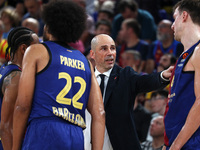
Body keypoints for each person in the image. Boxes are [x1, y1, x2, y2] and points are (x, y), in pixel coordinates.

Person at [12, 1, 105, 150]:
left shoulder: (36, 51)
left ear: (48, 27)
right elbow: (99, 113)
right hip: (75, 135)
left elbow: (22, 105)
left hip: (44, 130)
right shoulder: (85, 61)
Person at [89, 34, 173, 150]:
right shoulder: (86, 78)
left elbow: (144, 81)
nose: (110, 53)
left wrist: (162, 76)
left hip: (119, 144)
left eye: (113, 48)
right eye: (104, 48)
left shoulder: (125, 75)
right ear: (92, 54)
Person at [163, 0, 200, 149]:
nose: (172, 25)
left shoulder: (199, 51)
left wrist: (175, 146)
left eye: (174, 18)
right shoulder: (184, 56)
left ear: (184, 16)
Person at [0, 27, 39, 150]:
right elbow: (6, 125)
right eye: (36, 47)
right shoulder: (16, 78)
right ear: (23, 49)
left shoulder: (5, 68)